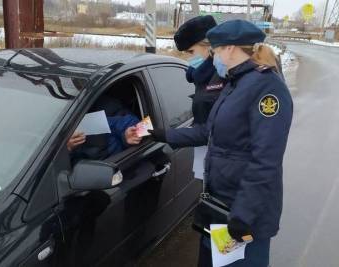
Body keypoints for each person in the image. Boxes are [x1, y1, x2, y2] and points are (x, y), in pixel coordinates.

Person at [151, 20, 293, 266]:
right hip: (222, 204)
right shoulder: (236, 83)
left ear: (230, 49)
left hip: (243, 212)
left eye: (215, 51)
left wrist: (244, 214)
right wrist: (163, 134)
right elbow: (209, 131)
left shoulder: (267, 88)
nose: (213, 57)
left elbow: (266, 160)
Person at [174, 15, 225, 124]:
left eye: (191, 52)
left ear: (208, 44)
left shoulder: (225, 74)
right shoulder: (201, 76)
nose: (190, 58)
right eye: (186, 53)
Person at [68, 95, 142, 161]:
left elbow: (130, 123)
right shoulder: (62, 129)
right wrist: (67, 149)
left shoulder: (91, 121)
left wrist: (126, 135)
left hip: (116, 163)